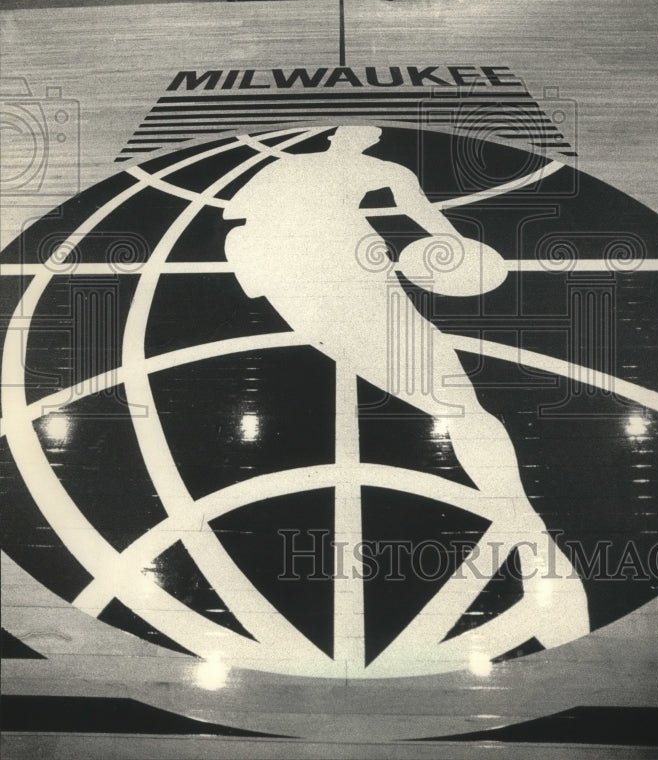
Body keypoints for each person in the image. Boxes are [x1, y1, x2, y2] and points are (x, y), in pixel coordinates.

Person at [224, 127, 590, 649]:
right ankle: (530, 538)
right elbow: (249, 228)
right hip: (324, 273)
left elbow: (433, 227)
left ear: (365, 140)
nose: (360, 135)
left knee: (456, 402)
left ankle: (527, 536)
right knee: (460, 404)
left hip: (307, 270)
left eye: (366, 132)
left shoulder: (343, 172)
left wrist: (447, 251)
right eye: (356, 130)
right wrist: (441, 252)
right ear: (345, 136)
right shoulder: (322, 172)